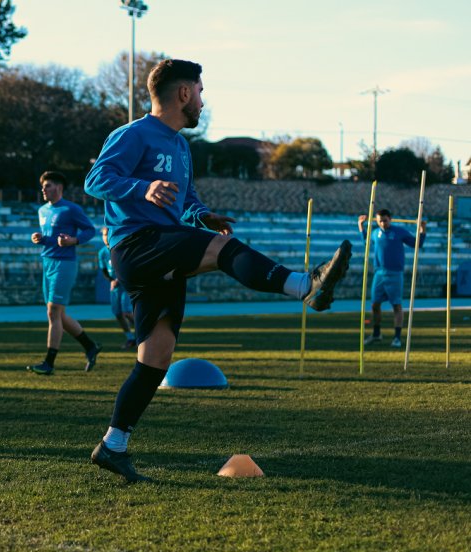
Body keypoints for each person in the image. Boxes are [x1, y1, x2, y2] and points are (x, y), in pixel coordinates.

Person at [83, 59, 352, 483]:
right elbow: (96, 179)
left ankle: (112, 446)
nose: (204, 102)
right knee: (224, 251)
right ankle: (305, 285)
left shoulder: (181, 146)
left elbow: (184, 198)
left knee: (157, 355)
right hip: (137, 245)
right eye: (201, 92)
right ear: (184, 94)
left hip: (166, 244)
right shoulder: (133, 134)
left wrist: (202, 214)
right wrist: (143, 187)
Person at [27, 171, 100, 375]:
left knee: (53, 312)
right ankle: (90, 346)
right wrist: (41, 239)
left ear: (59, 187)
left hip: (65, 264)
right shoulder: (42, 210)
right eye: (43, 186)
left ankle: (49, 363)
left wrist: (73, 241)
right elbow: (52, 237)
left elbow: (89, 230)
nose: (44, 189)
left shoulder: (71, 209)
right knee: (58, 313)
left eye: (48, 185)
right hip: (47, 262)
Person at [358, 209, 426, 348]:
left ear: (391, 219)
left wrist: (422, 230)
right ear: (376, 220)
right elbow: (366, 243)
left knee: (396, 305)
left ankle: (397, 338)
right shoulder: (375, 233)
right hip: (379, 273)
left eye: (385, 220)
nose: (382, 223)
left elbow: (417, 244)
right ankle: (376, 334)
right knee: (375, 304)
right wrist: (361, 226)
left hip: (395, 274)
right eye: (380, 221)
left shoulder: (399, 232)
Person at [98, 226, 136, 349]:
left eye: (108, 235)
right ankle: (130, 338)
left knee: (127, 312)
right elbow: (104, 269)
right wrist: (111, 280)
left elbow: (130, 266)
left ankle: (145, 334)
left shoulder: (122, 248)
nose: (106, 238)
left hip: (126, 284)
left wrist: (119, 279)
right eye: (104, 235)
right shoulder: (102, 252)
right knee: (118, 314)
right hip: (115, 287)